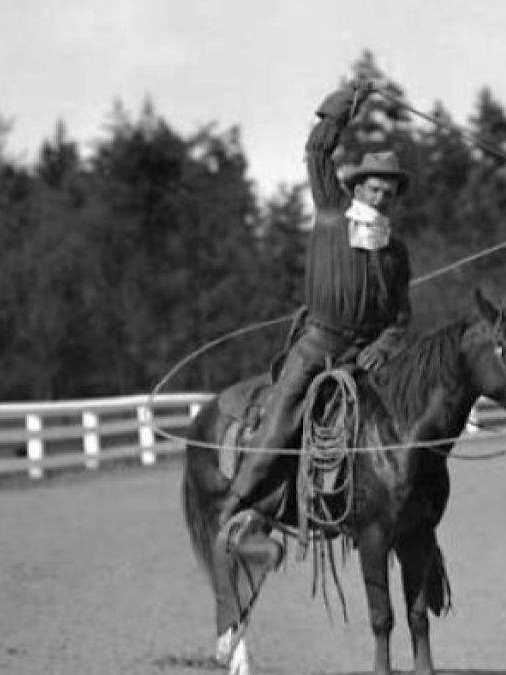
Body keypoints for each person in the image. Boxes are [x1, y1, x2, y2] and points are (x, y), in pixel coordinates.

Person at [216, 80, 413, 542]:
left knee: (400, 427)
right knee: (281, 424)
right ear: (358, 187)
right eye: (374, 187)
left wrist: (383, 348)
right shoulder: (330, 210)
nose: (380, 197)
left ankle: (374, 511)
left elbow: (401, 317)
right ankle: (233, 510)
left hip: (365, 356)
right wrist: (346, 104)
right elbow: (317, 150)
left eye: (388, 192)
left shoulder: (397, 251)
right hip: (318, 344)